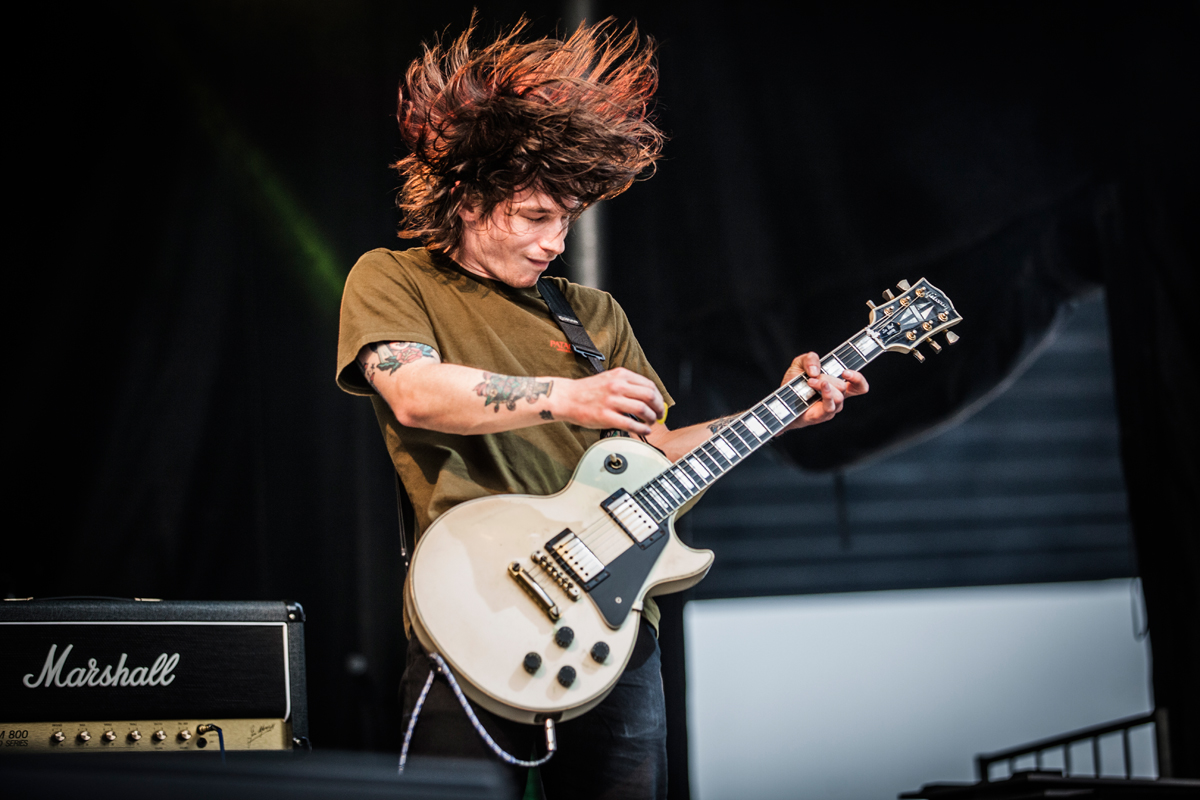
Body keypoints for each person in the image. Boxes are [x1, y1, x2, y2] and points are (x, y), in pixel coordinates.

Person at [336, 17, 868, 800]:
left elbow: (656, 454)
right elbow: (414, 394)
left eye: (568, 220)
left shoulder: (593, 315)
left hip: (615, 629)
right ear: (467, 197)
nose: (555, 241)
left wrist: (781, 412)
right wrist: (567, 396)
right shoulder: (393, 278)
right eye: (536, 217)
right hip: (474, 610)